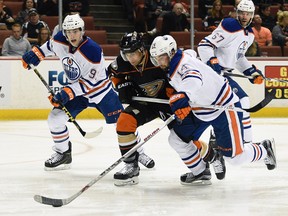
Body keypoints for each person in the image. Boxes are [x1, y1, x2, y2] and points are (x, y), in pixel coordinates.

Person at [149, 34, 277, 184]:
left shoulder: (183, 66)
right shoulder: (176, 60)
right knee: (177, 139)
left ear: (171, 52)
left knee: (235, 158)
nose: (159, 61)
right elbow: (191, 53)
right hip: (201, 109)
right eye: (156, 58)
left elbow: (193, 78)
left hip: (223, 108)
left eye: (161, 57)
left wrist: (183, 95)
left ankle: (264, 149)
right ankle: (201, 172)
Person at [108, 32, 214, 186]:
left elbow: (182, 68)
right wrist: (122, 85)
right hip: (145, 102)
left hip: (168, 103)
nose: (130, 58)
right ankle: (131, 166)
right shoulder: (123, 62)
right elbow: (112, 73)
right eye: (126, 54)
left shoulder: (157, 58)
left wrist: (177, 92)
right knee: (124, 122)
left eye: (133, 54)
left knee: (183, 139)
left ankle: (211, 155)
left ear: (142, 50)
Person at [20, 14, 123, 171]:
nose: (71, 35)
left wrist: (65, 93)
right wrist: (36, 54)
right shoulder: (60, 38)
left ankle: (137, 153)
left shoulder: (92, 50)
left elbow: (91, 83)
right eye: (68, 32)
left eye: (75, 31)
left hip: (101, 92)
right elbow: (50, 46)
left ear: (82, 31)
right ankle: (63, 153)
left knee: (123, 123)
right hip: (78, 93)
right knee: (55, 118)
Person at [197, 0, 263, 144]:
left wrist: (252, 72)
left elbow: (238, 57)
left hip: (223, 74)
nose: (244, 16)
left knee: (227, 107)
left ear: (252, 15)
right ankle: (247, 143)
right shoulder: (230, 25)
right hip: (211, 75)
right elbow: (204, 45)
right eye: (242, 13)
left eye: (248, 14)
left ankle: (220, 140)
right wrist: (213, 63)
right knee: (242, 101)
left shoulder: (250, 34)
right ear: (237, 13)